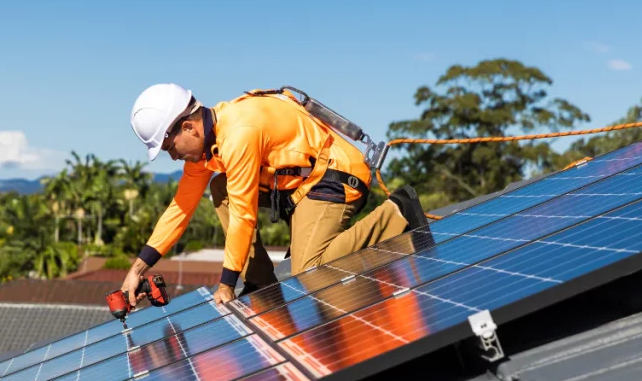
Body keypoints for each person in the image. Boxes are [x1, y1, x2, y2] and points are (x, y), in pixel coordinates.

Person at [121, 83, 428, 307]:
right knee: (220, 187)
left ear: (189, 128)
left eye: (170, 148)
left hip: (334, 177)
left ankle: (397, 212)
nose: (173, 157)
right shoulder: (207, 149)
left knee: (310, 270)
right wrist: (138, 269)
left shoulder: (239, 133)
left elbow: (244, 213)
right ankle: (260, 283)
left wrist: (227, 285)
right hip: (299, 189)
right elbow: (181, 208)